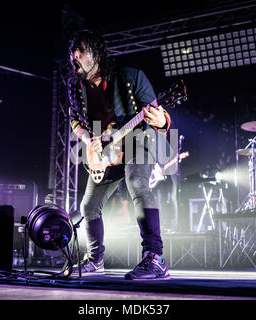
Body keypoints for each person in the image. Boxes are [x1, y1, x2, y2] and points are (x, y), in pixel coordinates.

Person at [67, 30, 172, 280]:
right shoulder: (77, 88)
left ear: (96, 54)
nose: (75, 56)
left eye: (80, 51)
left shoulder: (131, 77)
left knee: (136, 181)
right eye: (72, 53)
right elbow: (74, 121)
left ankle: (155, 258)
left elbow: (158, 116)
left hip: (137, 140)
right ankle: (95, 259)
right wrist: (89, 141)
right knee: (88, 205)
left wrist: (162, 119)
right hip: (106, 151)